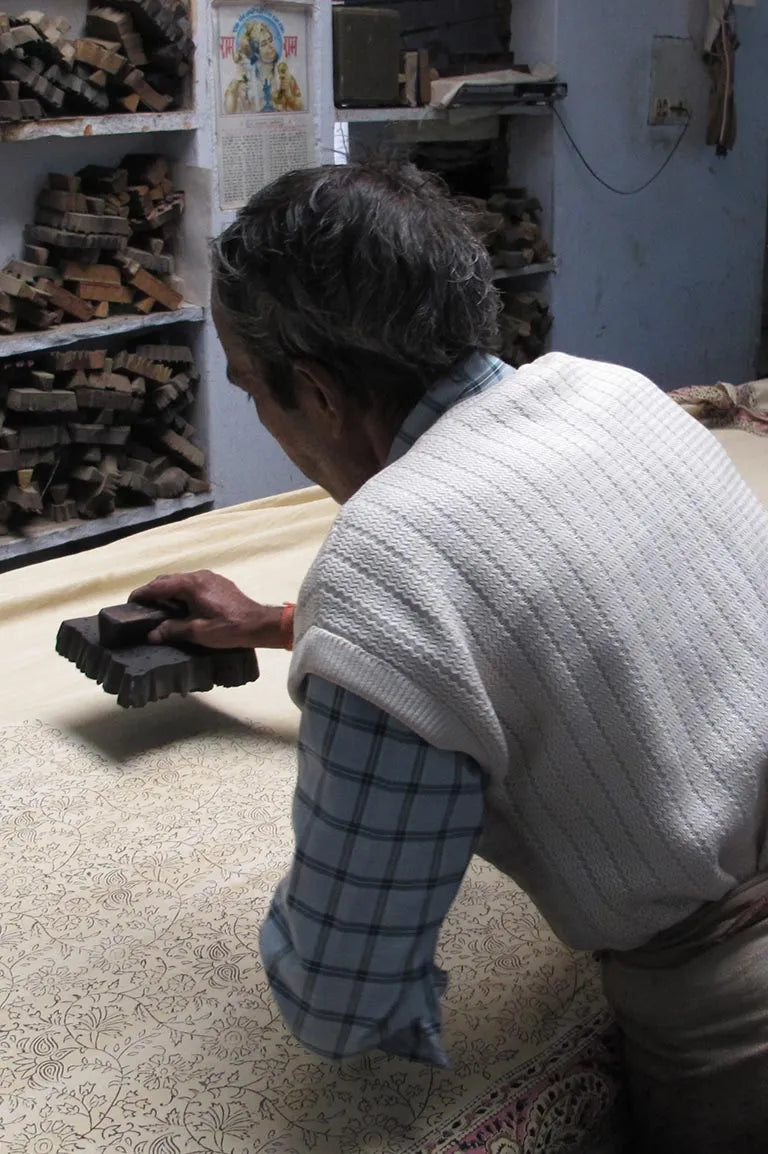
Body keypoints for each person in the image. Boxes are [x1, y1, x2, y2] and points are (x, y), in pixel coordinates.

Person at [132, 162, 768, 1154]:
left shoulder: (385, 559)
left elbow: (342, 1000)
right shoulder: (616, 393)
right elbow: (559, 609)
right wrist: (281, 623)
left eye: (254, 391)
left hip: (737, 1014)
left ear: (318, 392)